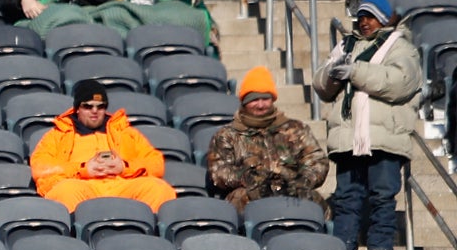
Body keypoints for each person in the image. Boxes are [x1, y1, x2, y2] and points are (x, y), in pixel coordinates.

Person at [317, 0, 425, 250]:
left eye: (372, 17)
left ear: (386, 20)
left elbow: (399, 83)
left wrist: (354, 71)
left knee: (382, 195)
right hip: (349, 137)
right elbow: (321, 86)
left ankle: (380, 245)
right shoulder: (346, 45)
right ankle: (343, 247)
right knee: (347, 197)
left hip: (384, 137)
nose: (365, 22)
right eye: (362, 17)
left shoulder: (402, 47)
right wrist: (333, 74)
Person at [29, 81, 176, 209]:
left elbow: (156, 162)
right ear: (77, 108)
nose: (95, 111)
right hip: (81, 185)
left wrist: (125, 167)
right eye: (88, 106)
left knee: (160, 189)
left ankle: (147, 237)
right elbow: (40, 166)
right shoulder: (59, 133)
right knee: (66, 190)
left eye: (100, 107)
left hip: (122, 185)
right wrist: (83, 169)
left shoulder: (124, 131)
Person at [205, 66, 326, 210]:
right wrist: (248, 178)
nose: (261, 105)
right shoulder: (227, 136)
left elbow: (316, 160)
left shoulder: (295, 129)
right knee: (239, 198)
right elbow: (219, 171)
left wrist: (302, 180)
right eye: (254, 99)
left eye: (265, 99)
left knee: (316, 201)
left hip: (291, 193)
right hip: (250, 196)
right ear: (244, 102)